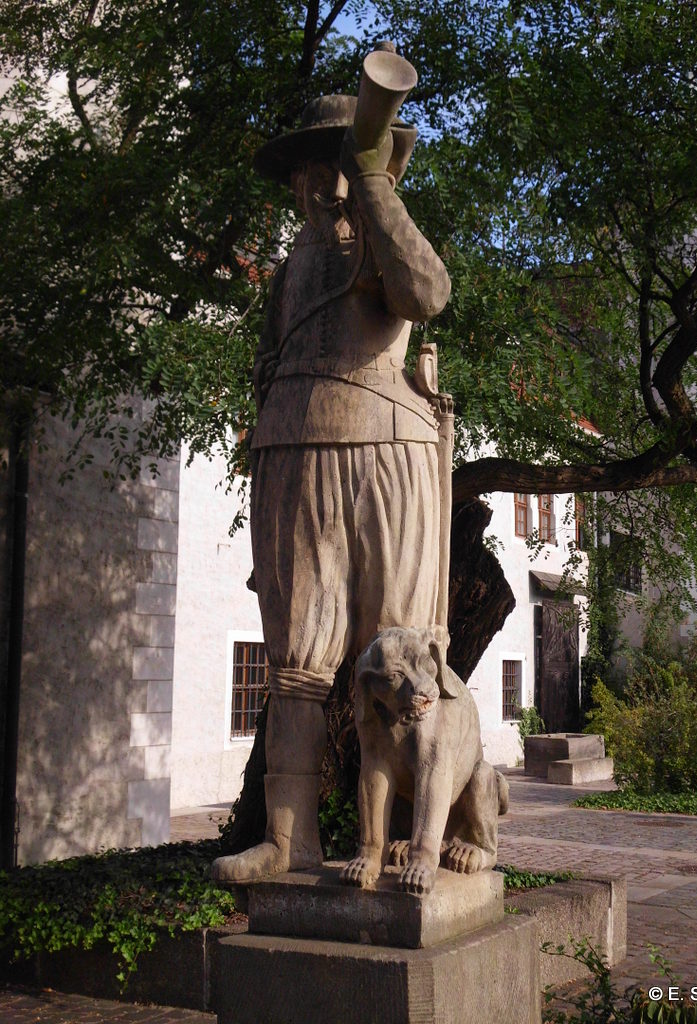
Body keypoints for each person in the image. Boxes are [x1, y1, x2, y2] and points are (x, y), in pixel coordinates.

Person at [212, 91, 450, 884]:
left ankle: (404, 843)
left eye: (344, 165)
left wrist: (377, 182)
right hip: (293, 455)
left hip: (390, 455)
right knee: (295, 666)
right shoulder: (283, 278)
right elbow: (264, 371)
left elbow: (426, 294)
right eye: (321, 167)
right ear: (298, 181)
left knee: (401, 659)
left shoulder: (385, 248)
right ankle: (290, 840)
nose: (331, 186)